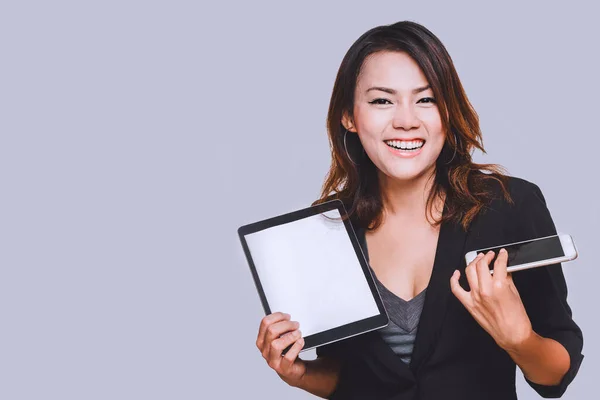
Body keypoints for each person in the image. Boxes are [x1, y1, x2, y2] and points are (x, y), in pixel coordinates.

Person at [254, 20, 584, 399]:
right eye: (382, 100)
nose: (406, 121)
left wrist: (518, 338)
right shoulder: (328, 230)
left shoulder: (509, 205)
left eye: (425, 99)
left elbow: (556, 374)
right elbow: (354, 381)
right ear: (349, 116)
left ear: (448, 111)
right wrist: (299, 373)